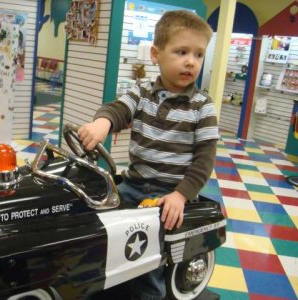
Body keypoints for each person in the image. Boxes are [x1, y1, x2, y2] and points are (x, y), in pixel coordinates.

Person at [78, 10, 218, 300]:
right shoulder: (141, 92)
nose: (191, 61)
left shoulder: (202, 106)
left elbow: (205, 158)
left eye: (199, 54)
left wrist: (181, 195)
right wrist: (103, 122)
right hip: (133, 185)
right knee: (99, 229)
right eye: (181, 52)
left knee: (146, 256)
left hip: (170, 195)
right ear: (156, 54)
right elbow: (119, 109)